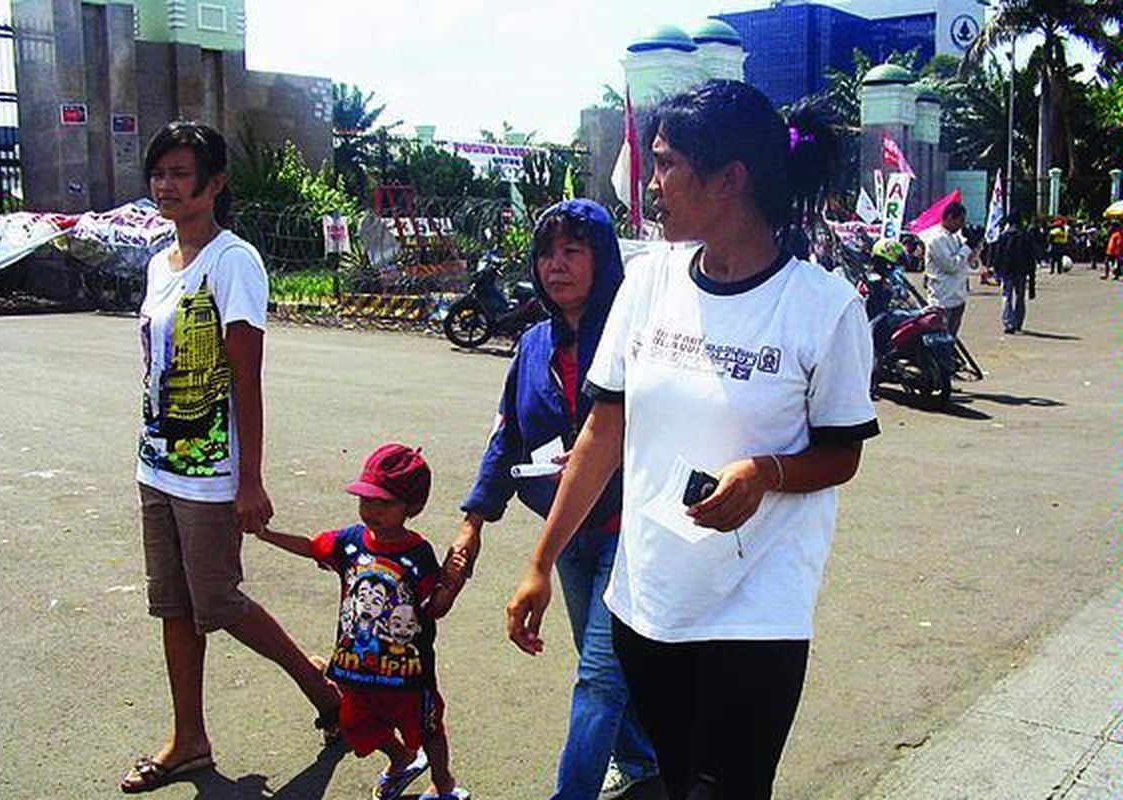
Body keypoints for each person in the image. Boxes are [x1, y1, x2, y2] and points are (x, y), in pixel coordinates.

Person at [504, 80, 879, 800]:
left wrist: (765, 472)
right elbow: (602, 432)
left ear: (730, 178)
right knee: (676, 782)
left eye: (667, 163)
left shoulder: (821, 308)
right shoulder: (649, 283)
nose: (653, 183)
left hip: (756, 611)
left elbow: (843, 453)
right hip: (648, 601)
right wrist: (540, 563)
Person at [121, 120, 340, 794]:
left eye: (180, 174)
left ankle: (322, 690)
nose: (166, 185)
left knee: (215, 599)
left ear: (214, 183)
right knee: (173, 604)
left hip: (211, 473)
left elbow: (247, 378)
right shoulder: (161, 263)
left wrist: (250, 480)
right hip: (157, 464)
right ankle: (188, 738)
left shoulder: (233, 261)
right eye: (159, 173)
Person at [451, 199, 659, 800]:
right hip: (566, 534)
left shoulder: (635, 336)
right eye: (546, 253)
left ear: (604, 259)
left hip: (628, 530)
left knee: (597, 677)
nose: (556, 265)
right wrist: (473, 522)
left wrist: (603, 456)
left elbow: (663, 428)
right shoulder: (533, 344)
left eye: (573, 250)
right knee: (602, 661)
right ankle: (640, 758)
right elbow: (508, 437)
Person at [254, 444, 469, 800]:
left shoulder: (418, 553)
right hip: (355, 668)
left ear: (412, 507)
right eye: (366, 500)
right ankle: (401, 758)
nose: (372, 510)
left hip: (408, 673)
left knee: (428, 729)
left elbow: (435, 607)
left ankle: (443, 784)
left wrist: (453, 580)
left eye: (384, 503)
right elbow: (312, 546)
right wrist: (267, 534)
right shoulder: (350, 542)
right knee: (353, 723)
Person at [923, 201, 975, 337]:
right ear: (950, 217)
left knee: (951, 339)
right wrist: (967, 247)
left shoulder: (955, 237)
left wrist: (974, 245)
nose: (961, 225)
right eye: (960, 220)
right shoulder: (936, 238)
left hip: (958, 298)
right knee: (940, 340)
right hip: (942, 300)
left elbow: (966, 262)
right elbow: (951, 266)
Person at [990, 211, 1037, 334]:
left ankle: (1008, 323)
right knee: (1020, 298)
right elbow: (1031, 257)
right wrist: (1032, 276)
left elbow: (997, 256)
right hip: (1021, 272)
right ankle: (1018, 323)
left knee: (1007, 296)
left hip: (1007, 272)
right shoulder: (1026, 236)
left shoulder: (1003, 237)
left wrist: (996, 271)